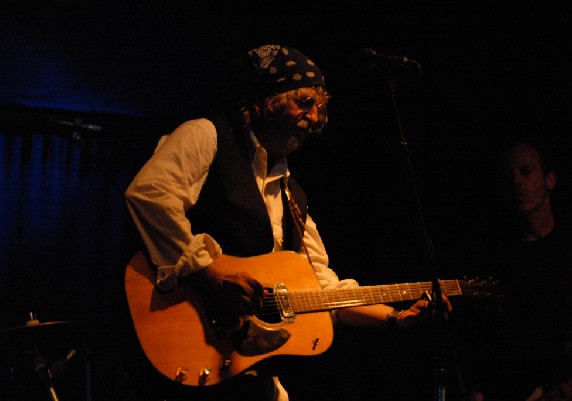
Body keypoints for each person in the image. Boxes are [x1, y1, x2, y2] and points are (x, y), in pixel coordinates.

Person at [123, 44, 451, 401]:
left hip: (251, 375)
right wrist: (208, 272)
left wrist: (396, 318)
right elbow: (150, 195)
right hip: (188, 349)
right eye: (304, 103)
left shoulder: (292, 195)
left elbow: (321, 290)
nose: (314, 118)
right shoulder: (208, 135)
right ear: (268, 99)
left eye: (320, 108)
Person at [455, 141, 572, 401]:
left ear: (550, 179)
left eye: (526, 171)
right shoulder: (492, 263)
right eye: (508, 175)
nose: (517, 182)